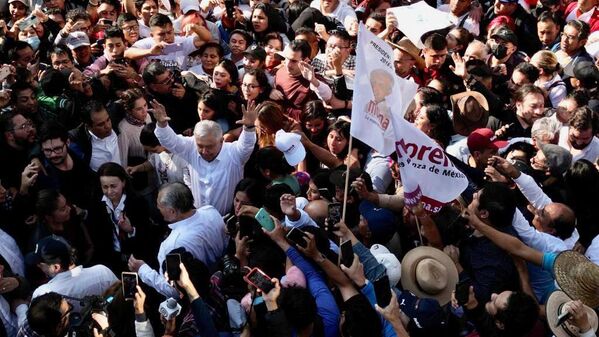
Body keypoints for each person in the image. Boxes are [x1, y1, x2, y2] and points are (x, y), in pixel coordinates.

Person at [151, 96, 256, 215]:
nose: (204, 151)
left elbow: (247, 145)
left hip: (226, 219)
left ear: (221, 140)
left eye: (210, 146)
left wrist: (249, 128)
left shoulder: (234, 153)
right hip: (199, 216)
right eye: (200, 146)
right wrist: (162, 124)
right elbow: (170, 141)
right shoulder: (191, 146)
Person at [127, 182, 227, 297]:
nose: (157, 208)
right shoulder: (211, 211)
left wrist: (142, 270)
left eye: (159, 205)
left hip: (199, 297)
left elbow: (173, 290)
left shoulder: (172, 245)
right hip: (223, 279)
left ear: (172, 211)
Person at [27, 235, 117, 303]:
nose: (38, 267)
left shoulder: (43, 293)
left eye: (40, 264)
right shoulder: (102, 272)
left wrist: (20, 307)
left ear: (56, 267)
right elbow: (120, 299)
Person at [68, 100, 121, 172]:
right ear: (88, 126)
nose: (107, 126)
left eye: (108, 120)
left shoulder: (114, 116)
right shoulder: (78, 140)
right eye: (101, 124)